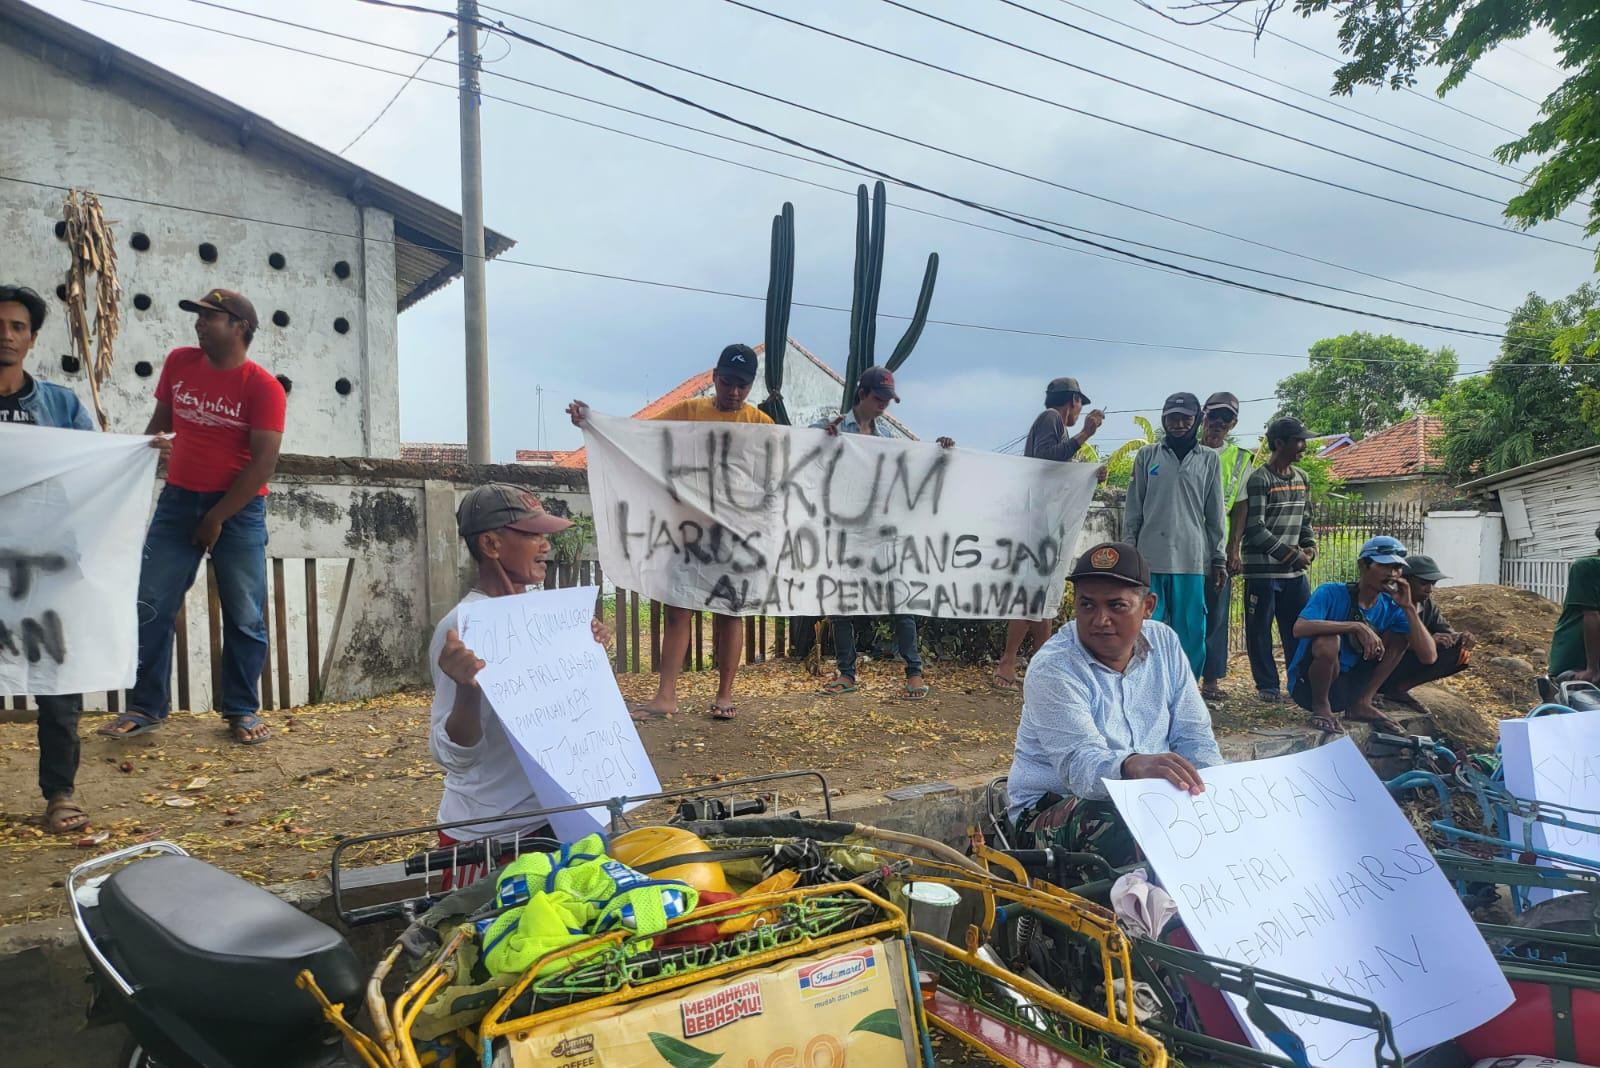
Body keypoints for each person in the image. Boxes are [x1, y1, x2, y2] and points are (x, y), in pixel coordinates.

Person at [100, 290, 285, 745]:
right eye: (198, 315)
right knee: (150, 603)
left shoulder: (263, 387)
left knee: (245, 615)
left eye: (210, 316)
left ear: (239, 326)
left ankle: (241, 710)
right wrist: (121, 458)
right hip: (178, 501)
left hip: (238, 509)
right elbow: (160, 425)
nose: (199, 322)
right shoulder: (179, 363)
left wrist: (218, 516)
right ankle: (146, 705)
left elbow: (263, 463)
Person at [568, 343, 772, 721]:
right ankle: (666, 696)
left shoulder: (761, 424)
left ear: (751, 385)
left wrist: (825, 439)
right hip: (688, 531)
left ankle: (725, 695)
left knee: (731, 614)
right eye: (727, 382)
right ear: (714, 376)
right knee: (679, 611)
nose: (734, 392)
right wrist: (593, 422)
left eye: (742, 385)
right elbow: (636, 438)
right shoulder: (688, 412)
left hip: (738, 535)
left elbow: (788, 463)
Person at [1006, 541, 1224, 860]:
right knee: (1125, 827)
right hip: (1052, 810)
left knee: (1229, 816)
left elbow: (1194, 736)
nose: (1100, 620)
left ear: (1148, 606)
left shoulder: (1165, 643)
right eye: (1087, 605)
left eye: (1116, 606)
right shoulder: (1054, 667)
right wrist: (1132, 765)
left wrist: (1210, 791)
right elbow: (1079, 766)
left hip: (1149, 799)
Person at [430, 485, 609, 864]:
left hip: (562, 818)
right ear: (492, 545)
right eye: (533, 535)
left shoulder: (545, 615)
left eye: (545, 535)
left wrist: (591, 651)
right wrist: (467, 689)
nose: (546, 546)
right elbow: (455, 757)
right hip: (494, 835)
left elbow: (567, 713)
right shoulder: (462, 627)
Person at [0, 284, 96, 834]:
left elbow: (94, 463)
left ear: (32, 338)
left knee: (56, 686)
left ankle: (59, 793)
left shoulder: (58, 405)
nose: (6, 335)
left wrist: (137, 451)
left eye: (17, 327)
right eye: (0, 325)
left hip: (44, 568)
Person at [815, 366, 955, 700]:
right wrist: (822, 440)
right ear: (862, 394)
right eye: (878, 398)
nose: (883, 406)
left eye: (888, 400)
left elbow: (909, 464)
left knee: (899, 599)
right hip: (845, 527)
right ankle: (847, 673)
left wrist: (938, 450)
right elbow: (801, 448)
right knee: (843, 603)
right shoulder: (832, 428)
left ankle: (914, 671)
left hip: (881, 528)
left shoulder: (886, 438)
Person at [992, 376, 1106, 691]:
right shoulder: (1051, 419)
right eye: (1080, 404)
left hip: (1047, 522)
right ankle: (1008, 662)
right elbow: (1048, 459)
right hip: (1038, 522)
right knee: (1032, 594)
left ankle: (1042, 663)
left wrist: (1089, 475)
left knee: (1044, 596)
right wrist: (1086, 433)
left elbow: (1060, 473)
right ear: (1073, 401)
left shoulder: (1056, 424)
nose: (1079, 411)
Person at [1287, 536, 1437, 735]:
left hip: (1350, 684)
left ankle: (1362, 702)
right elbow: (1300, 628)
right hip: (1309, 685)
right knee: (1329, 641)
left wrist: (1408, 607)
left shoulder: (1391, 606)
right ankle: (1321, 707)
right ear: (1363, 566)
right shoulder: (1331, 592)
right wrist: (1355, 626)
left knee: (1401, 637)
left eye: (1397, 568)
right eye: (1385, 567)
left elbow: (1429, 656)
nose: (1392, 574)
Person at [1123, 391, 1226, 677]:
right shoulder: (1147, 456)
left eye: (1185, 419)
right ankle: (1143, 683)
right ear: (1164, 420)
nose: (1178, 424)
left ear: (1197, 421)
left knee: (1191, 630)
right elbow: (1134, 508)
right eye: (1172, 419)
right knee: (1144, 627)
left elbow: (1215, 514)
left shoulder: (1208, 460)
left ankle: (1187, 690)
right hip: (1149, 559)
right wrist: (1129, 552)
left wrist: (1218, 557)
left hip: (1191, 560)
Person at [1240, 417, 1318, 702]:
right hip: (1263, 572)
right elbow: (1255, 528)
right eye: (1298, 441)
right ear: (1279, 443)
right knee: (1259, 631)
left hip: (1294, 573)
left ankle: (1298, 682)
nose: (1304, 446)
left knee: (1297, 629)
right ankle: (1267, 686)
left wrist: (1309, 548)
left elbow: (1306, 521)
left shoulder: (1302, 478)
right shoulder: (1261, 479)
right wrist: (1290, 555)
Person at [1199, 392, 1251, 702]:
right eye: (1213, 415)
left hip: (1217, 550)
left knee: (1217, 615)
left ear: (1233, 423)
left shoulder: (1240, 459)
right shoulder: (1185, 450)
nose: (1218, 422)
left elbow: (1241, 507)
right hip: (1183, 548)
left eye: (1226, 418)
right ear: (1203, 417)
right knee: (1184, 615)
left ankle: (1211, 681)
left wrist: (1234, 550)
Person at [1377, 554, 1473, 710]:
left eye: (1432, 584)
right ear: (1405, 581)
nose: (1430, 589)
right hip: (1381, 661)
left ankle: (1397, 689)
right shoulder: (1386, 601)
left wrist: (1461, 637)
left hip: (1409, 661)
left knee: (1458, 652)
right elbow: (1382, 640)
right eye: (1424, 583)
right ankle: (1372, 690)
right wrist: (1426, 642)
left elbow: (1446, 632)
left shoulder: (1427, 605)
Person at [1549, 524, 1600, 684]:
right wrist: (1592, 668)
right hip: (1577, 661)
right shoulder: (1588, 567)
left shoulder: (1587, 567)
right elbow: (1592, 616)